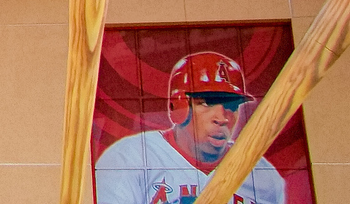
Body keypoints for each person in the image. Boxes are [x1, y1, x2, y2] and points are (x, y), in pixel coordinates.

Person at [94, 51, 285, 204]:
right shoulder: (129, 158)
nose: (222, 118)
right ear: (179, 106)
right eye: (207, 103)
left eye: (231, 106)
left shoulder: (264, 176)